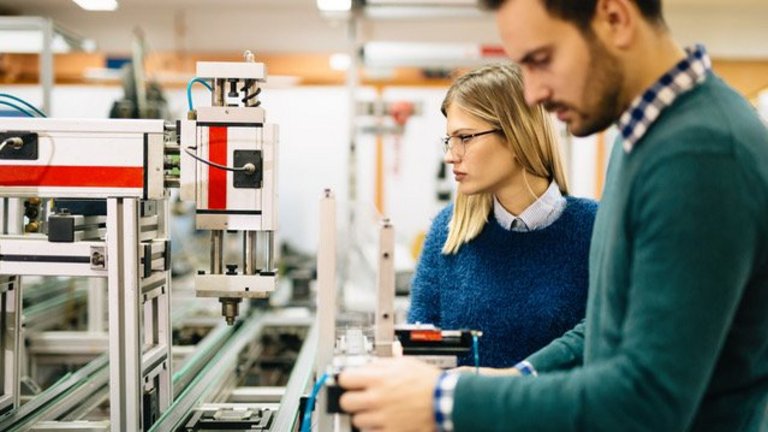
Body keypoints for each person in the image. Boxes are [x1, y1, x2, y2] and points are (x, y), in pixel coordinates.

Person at [338, 0, 768, 431]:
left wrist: (446, 402)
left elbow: (646, 401)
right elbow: (603, 330)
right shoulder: (643, 141)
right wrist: (514, 377)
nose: (532, 94)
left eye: (541, 60)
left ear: (614, 18)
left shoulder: (701, 151)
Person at [408, 63, 597, 369]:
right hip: (463, 417)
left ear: (515, 134)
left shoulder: (595, 228)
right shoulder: (449, 230)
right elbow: (421, 355)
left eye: (465, 137)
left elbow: (605, 346)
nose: (450, 155)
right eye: (449, 140)